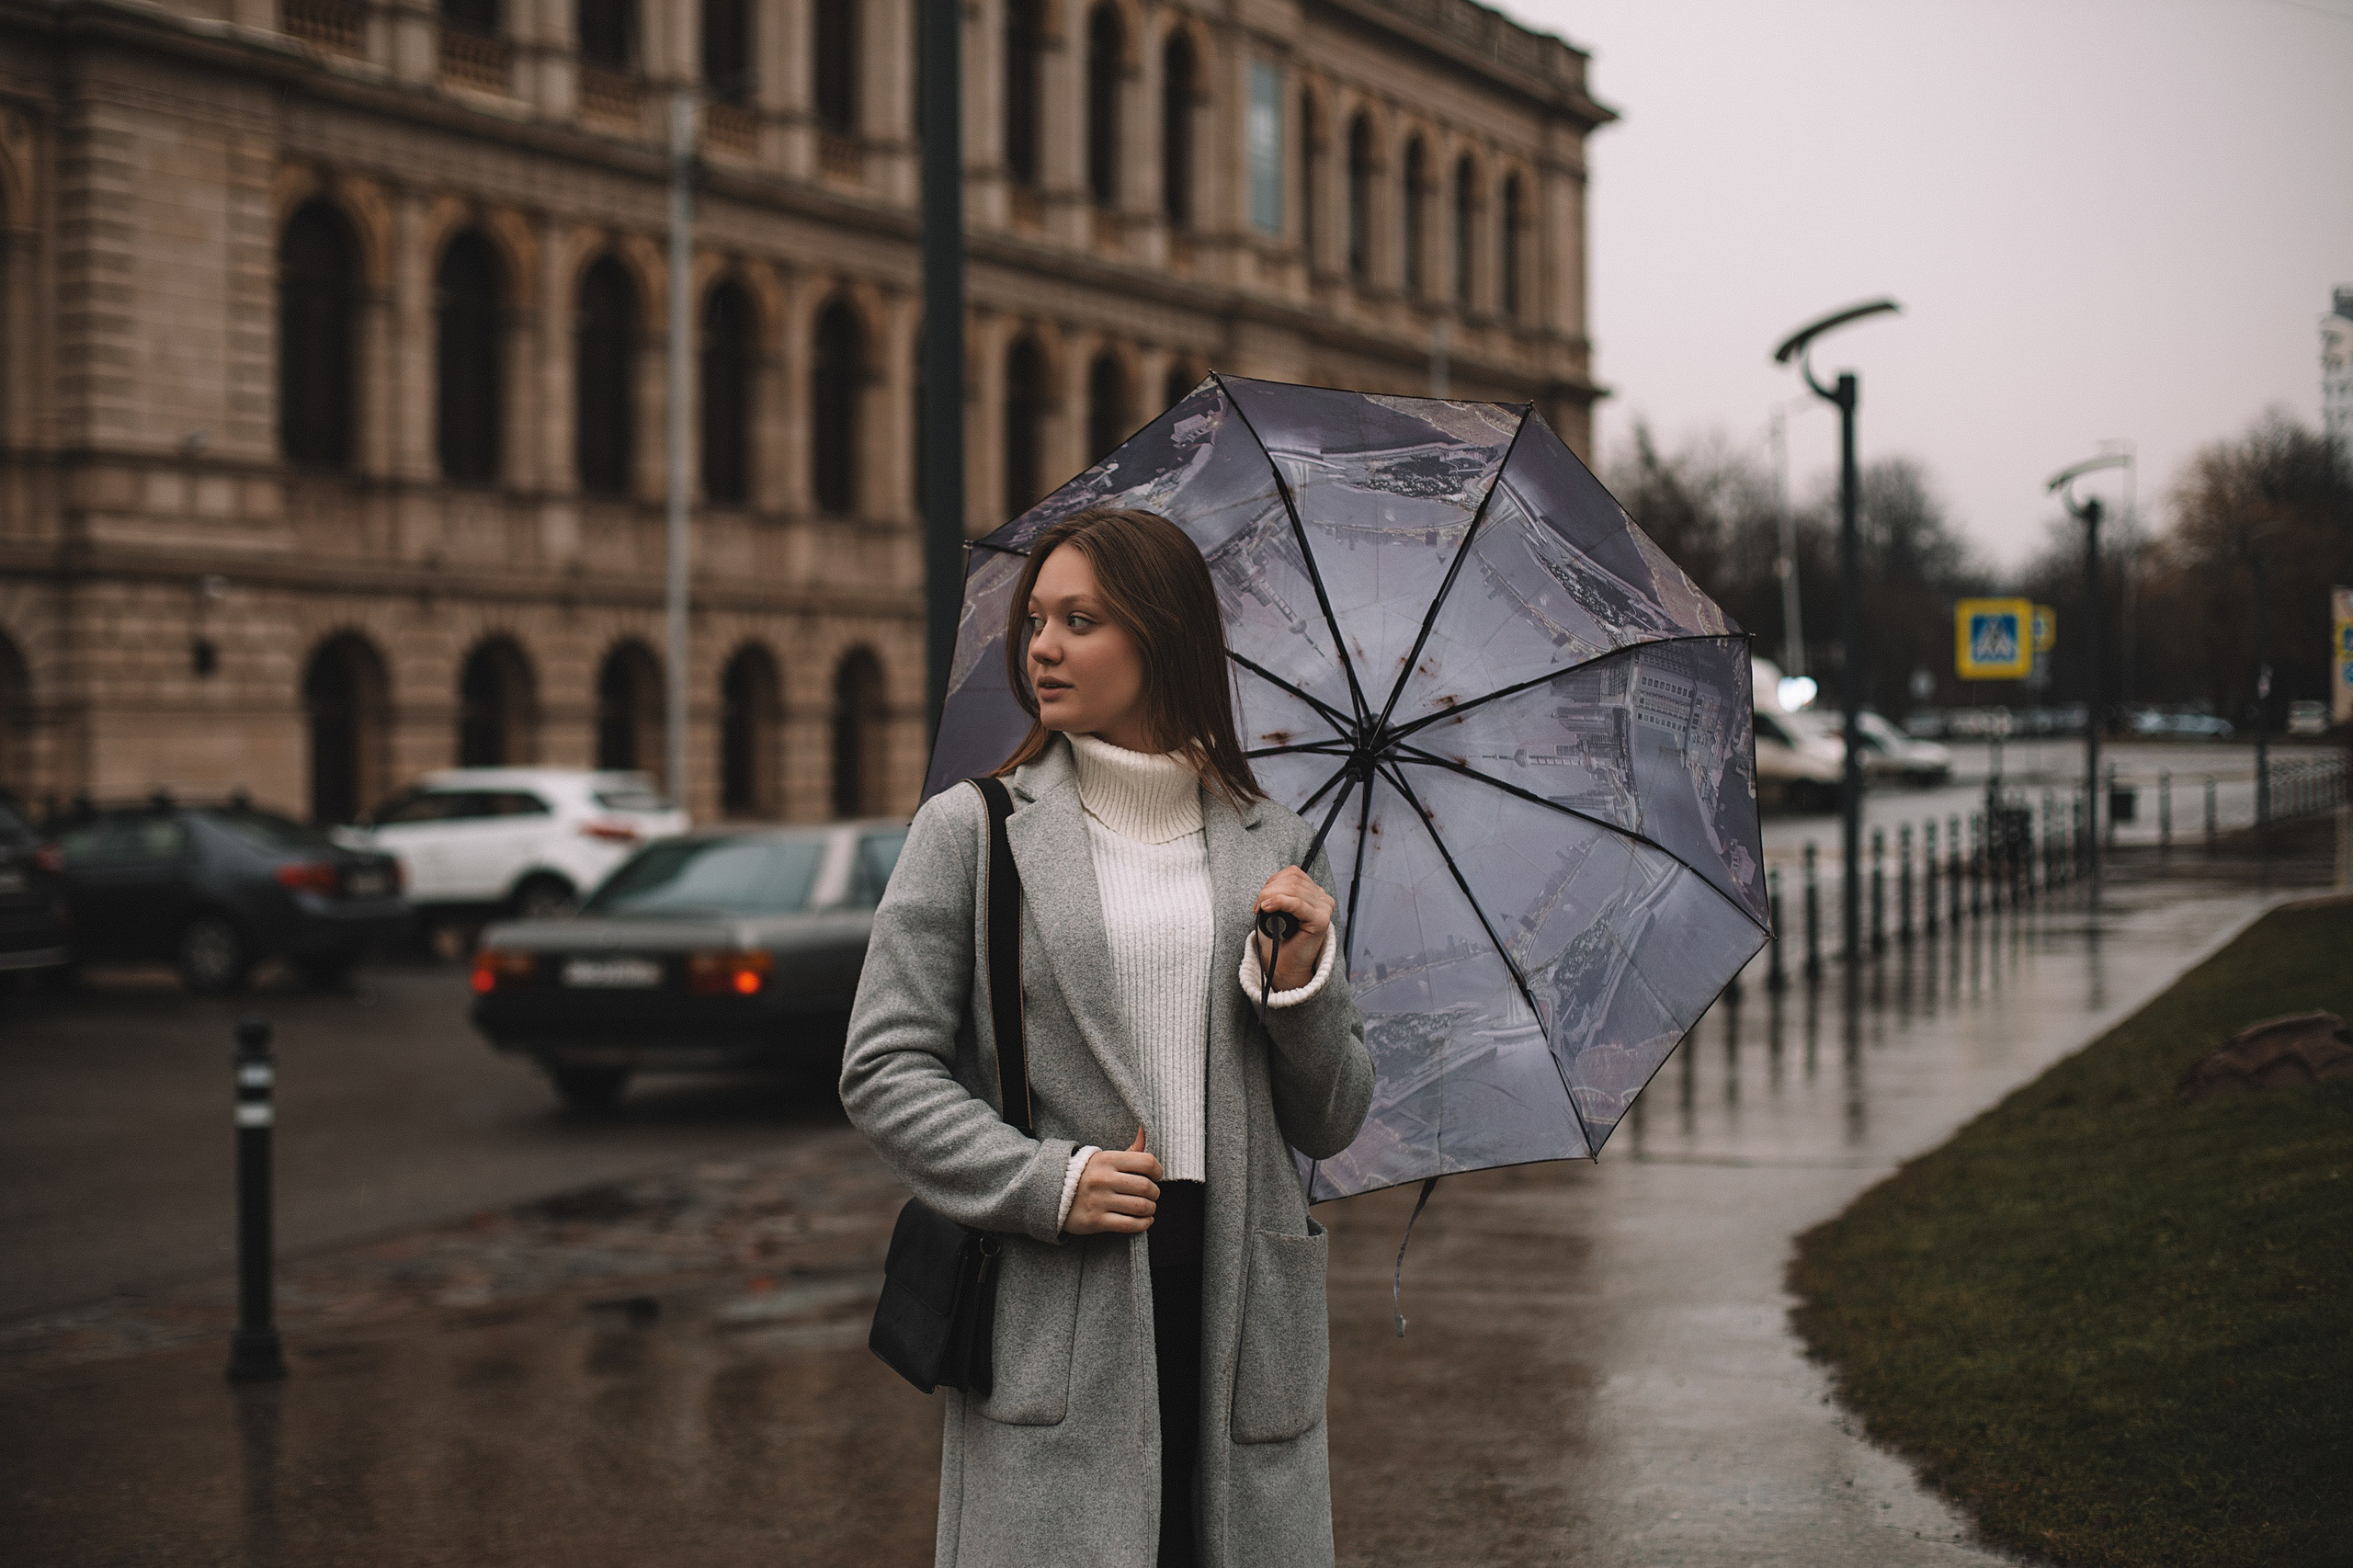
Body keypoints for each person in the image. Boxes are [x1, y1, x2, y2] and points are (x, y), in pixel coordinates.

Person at [840, 507, 1374, 1568]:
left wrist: (1297, 983)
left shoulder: (1272, 839)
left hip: (1238, 1300)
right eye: (1036, 618)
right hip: (1065, 1301)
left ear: (1162, 633)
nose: (1041, 645)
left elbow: (1332, 1113)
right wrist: (1045, 1179)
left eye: (1079, 619)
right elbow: (883, 1067)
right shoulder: (975, 828)